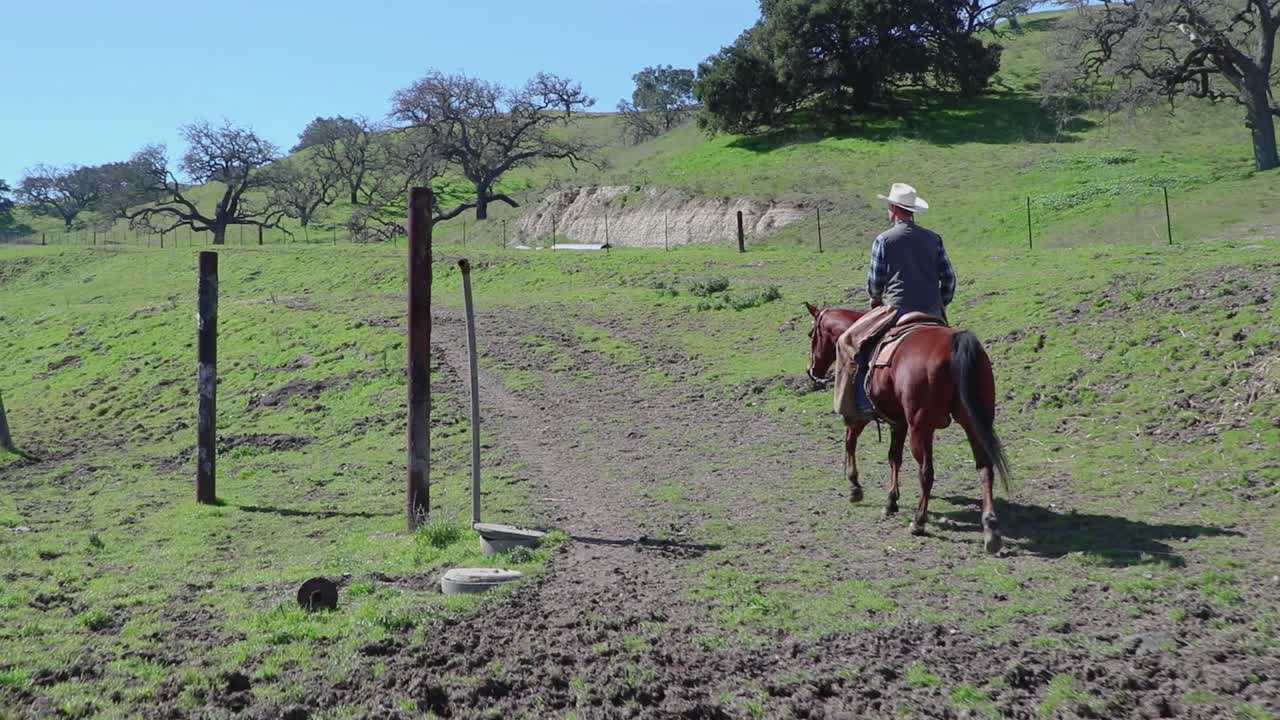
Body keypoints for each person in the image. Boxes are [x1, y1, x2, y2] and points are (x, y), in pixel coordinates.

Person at [834, 183, 956, 419]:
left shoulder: (884, 240)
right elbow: (949, 279)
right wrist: (939, 304)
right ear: (911, 211)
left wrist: (875, 299)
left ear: (894, 208)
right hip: (933, 310)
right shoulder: (934, 238)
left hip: (897, 309)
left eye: (889, 206)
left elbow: (875, 282)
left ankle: (862, 403)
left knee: (848, 341)